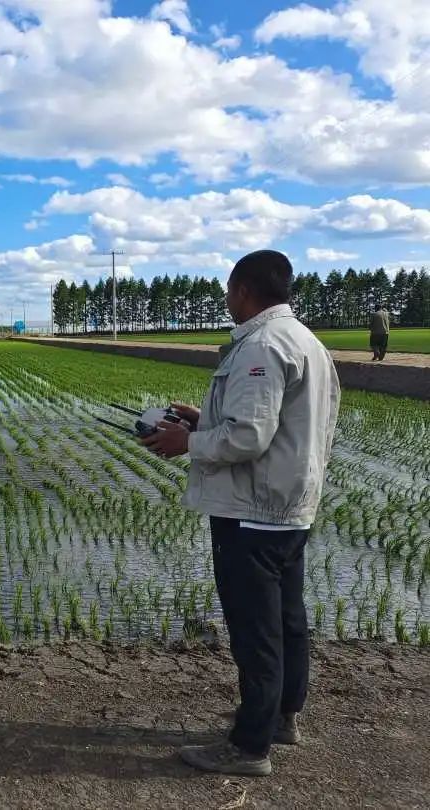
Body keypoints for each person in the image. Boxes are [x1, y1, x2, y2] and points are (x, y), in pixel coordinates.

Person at [141, 250, 341, 777]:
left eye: (229, 292)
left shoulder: (262, 344)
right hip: (290, 506)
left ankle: (249, 746)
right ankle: (282, 719)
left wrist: (191, 441)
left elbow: (250, 436)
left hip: (253, 511)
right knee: (287, 621)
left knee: (256, 630)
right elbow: (276, 421)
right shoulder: (306, 342)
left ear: (244, 291)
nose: (227, 301)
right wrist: (203, 416)